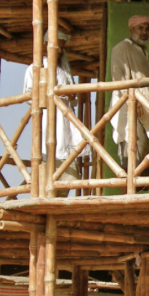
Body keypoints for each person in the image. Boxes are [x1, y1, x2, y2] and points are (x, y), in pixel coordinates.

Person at [23, 29, 89, 195]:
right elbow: (29, 96)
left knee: (67, 169)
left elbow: (72, 99)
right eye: (56, 47)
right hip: (46, 120)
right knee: (47, 159)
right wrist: (51, 94)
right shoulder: (35, 68)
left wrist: (69, 94)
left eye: (61, 48)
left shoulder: (64, 71)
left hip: (64, 120)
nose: (59, 51)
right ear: (46, 46)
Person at [108, 15, 149, 167]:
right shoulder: (122, 48)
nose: (144, 32)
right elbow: (119, 80)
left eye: (147, 29)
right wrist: (132, 101)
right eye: (140, 28)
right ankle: (128, 188)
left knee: (142, 154)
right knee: (131, 151)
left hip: (144, 108)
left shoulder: (143, 53)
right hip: (129, 106)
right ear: (132, 29)